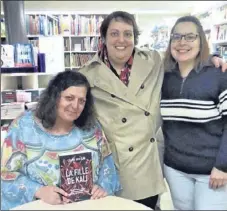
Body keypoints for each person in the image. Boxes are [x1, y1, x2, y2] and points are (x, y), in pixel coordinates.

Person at [79, 11, 227, 209]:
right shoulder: (86, 75)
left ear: (135, 38)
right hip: (114, 165)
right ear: (103, 38)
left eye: (128, 34)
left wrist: (212, 59)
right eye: (114, 34)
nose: (121, 40)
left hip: (146, 164)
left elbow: (186, 58)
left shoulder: (153, 61)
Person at [1, 71, 121, 210]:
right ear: (55, 97)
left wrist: (101, 187)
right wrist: (38, 191)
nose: (75, 106)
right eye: (69, 98)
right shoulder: (22, 127)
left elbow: (108, 167)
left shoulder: (92, 127)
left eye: (81, 101)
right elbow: (5, 175)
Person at [161, 15, 227, 210]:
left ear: (201, 41)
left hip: (212, 172)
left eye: (190, 37)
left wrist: (223, 166)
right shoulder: (164, 77)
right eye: (177, 36)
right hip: (175, 169)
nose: (182, 42)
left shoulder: (218, 75)